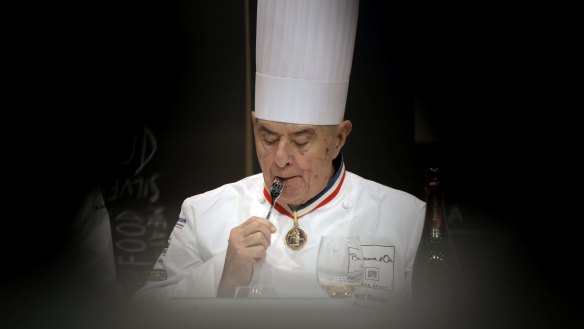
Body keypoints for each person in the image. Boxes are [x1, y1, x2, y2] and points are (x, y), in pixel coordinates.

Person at [133, 0, 425, 303]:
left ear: (338, 139)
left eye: (301, 141)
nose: (280, 158)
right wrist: (221, 273)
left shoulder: (405, 219)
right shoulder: (202, 212)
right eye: (268, 137)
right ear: (253, 125)